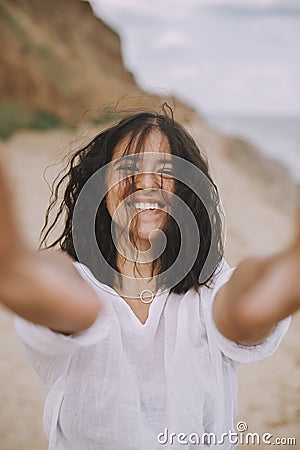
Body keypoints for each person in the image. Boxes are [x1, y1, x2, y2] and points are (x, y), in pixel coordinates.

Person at [0, 108, 299, 450]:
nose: (145, 182)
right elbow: (59, 289)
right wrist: (14, 268)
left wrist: (276, 287)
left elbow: (237, 304)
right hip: (73, 295)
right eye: (127, 169)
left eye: (166, 171)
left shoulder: (208, 287)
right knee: (79, 306)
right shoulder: (76, 279)